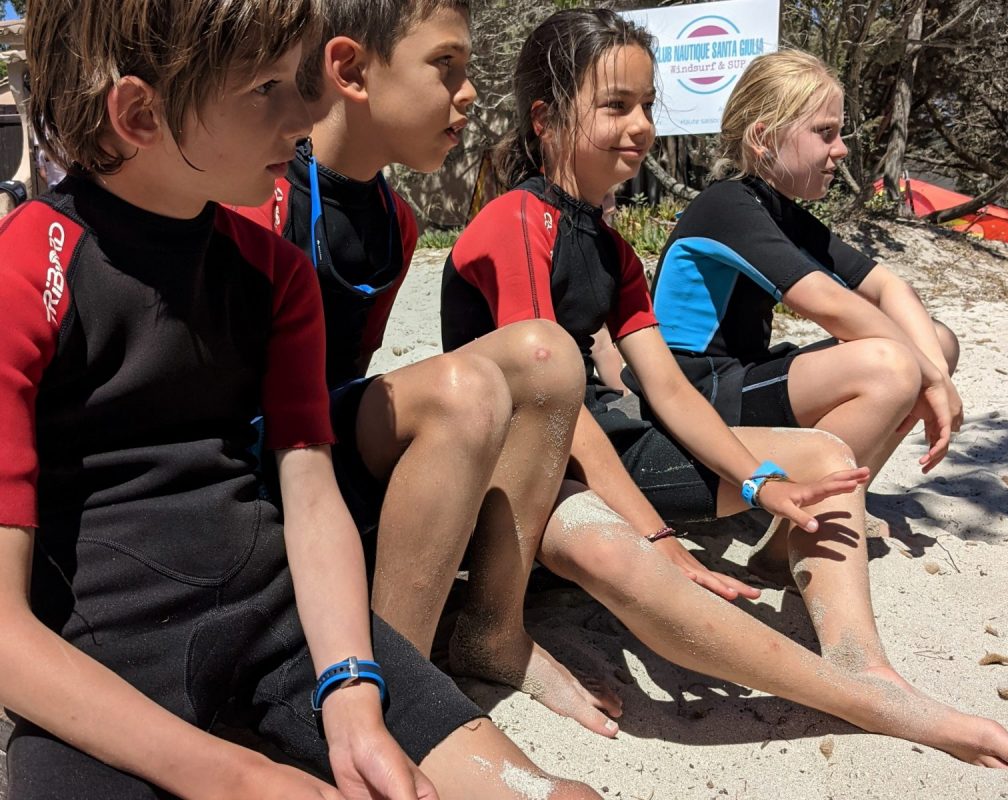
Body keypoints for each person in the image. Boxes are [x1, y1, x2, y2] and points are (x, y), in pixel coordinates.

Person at [0, 1, 597, 797]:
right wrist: (236, 775)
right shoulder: (24, 275)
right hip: (99, 658)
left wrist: (353, 691)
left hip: (282, 618)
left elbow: (309, 490)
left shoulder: (272, 272)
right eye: (268, 90)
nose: (309, 110)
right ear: (141, 113)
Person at [439, 7, 1008, 768]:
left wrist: (760, 478)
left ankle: (860, 658)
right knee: (634, 562)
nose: (641, 125)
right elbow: (549, 402)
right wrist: (654, 534)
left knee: (820, 459)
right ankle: (869, 705)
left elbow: (669, 394)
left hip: (599, 441)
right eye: (616, 106)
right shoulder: (516, 221)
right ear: (546, 119)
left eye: (648, 106)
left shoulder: (612, 247)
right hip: (516, 470)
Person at [234, 0, 597, 742]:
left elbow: (353, 375)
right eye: (446, 66)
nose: (468, 94)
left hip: (329, 438)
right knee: (460, 394)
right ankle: (396, 681)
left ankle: (490, 629)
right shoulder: (258, 197)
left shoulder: (397, 223)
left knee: (548, 355)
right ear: (351, 70)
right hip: (254, 462)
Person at [650, 49, 961, 482]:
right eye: (825, 132)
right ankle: (799, 531)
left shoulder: (778, 210)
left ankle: (837, 496)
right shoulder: (726, 205)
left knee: (937, 343)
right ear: (762, 137)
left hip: (743, 377)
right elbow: (826, 303)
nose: (842, 149)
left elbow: (891, 289)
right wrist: (929, 377)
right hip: (694, 395)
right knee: (892, 365)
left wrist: (935, 372)